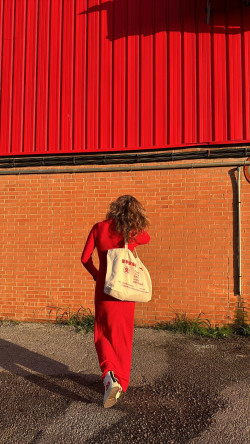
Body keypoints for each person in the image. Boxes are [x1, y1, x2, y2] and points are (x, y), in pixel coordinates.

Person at [81, 195, 150, 408]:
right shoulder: (131, 232)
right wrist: (133, 223)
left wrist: (96, 274)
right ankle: (121, 382)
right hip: (125, 291)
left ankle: (109, 374)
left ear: (113, 209)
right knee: (122, 336)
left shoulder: (98, 227)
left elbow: (84, 258)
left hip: (104, 288)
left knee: (102, 333)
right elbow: (146, 238)